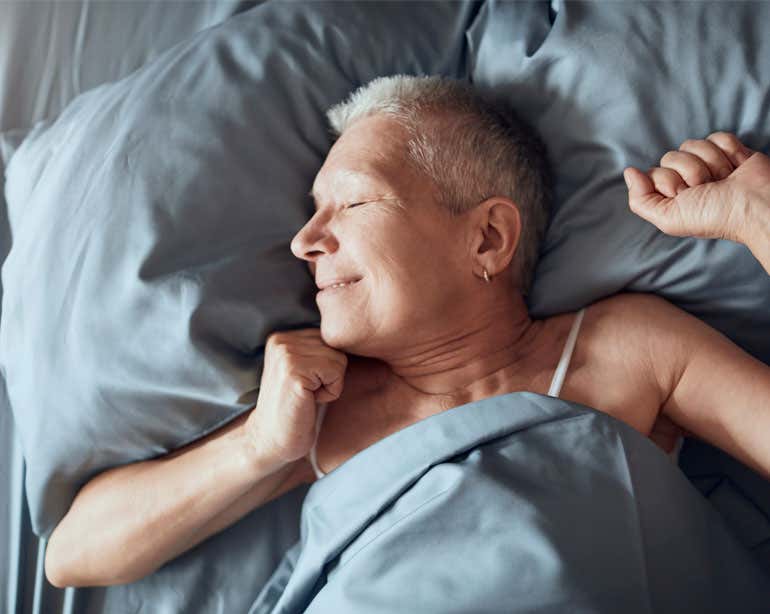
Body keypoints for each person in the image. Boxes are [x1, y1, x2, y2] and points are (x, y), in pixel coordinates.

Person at [44, 75, 770, 589]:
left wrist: (758, 223)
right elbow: (72, 554)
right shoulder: (324, 414)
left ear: (486, 237)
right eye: (312, 209)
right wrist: (260, 446)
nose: (305, 240)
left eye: (352, 202)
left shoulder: (628, 351)